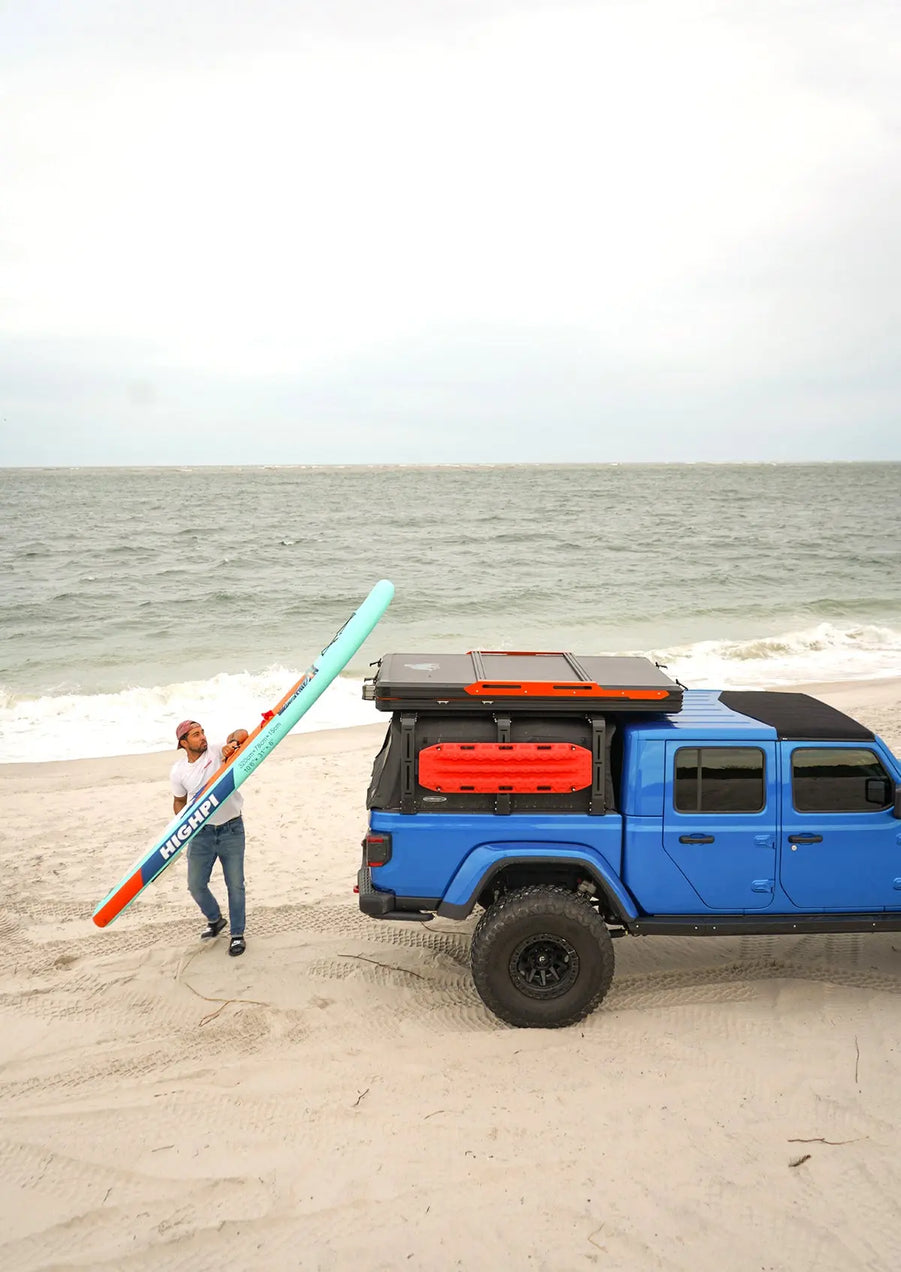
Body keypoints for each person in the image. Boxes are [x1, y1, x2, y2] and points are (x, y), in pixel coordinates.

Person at [171, 720, 250, 957]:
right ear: (183, 743)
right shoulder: (178, 771)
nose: (202, 737)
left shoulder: (217, 751)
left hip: (231, 829)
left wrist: (233, 743)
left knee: (235, 885)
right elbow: (179, 802)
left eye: (202, 732)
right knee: (195, 885)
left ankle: (237, 934)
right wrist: (183, 826)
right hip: (201, 833)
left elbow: (242, 732)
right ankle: (215, 920)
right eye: (195, 735)